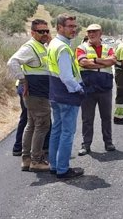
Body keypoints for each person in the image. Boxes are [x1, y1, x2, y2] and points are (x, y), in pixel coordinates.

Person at [7, 19, 52, 172]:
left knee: (31, 125)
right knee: (42, 125)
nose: (45, 33)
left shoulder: (40, 46)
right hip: (36, 93)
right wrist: (22, 79)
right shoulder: (30, 47)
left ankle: (27, 159)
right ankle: (36, 160)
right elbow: (12, 62)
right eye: (41, 31)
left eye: (47, 30)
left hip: (38, 92)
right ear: (33, 33)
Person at [46, 13, 85, 179]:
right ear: (59, 27)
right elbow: (67, 77)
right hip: (67, 95)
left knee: (57, 130)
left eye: (74, 26)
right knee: (67, 133)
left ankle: (54, 166)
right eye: (69, 26)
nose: (73, 29)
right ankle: (63, 169)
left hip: (55, 93)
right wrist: (79, 89)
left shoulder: (53, 44)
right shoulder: (62, 48)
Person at [76, 24, 117, 155]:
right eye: (89, 32)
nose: (91, 34)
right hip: (88, 87)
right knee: (87, 118)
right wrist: (101, 61)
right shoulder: (81, 47)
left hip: (105, 87)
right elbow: (83, 63)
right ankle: (86, 145)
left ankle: (108, 142)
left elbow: (112, 61)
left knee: (106, 117)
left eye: (94, 32)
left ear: (101, 33)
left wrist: (92, 61)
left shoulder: (108, 47)